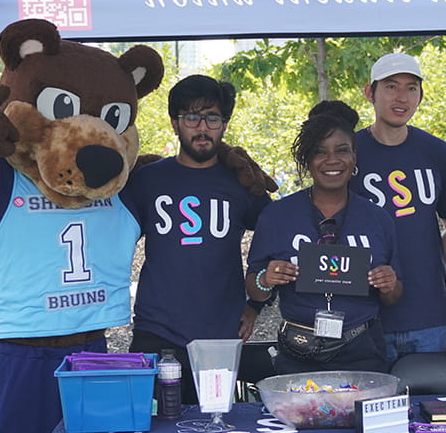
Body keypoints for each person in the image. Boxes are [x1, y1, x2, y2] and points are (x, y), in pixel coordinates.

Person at [123, 75, 274, 402]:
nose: (202, 127)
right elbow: (113, 236)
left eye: (213, 118)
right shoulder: (147, 179)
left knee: (214, 427)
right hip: (157, 329)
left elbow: (276, 237)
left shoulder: (242, 180)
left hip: (220, 334)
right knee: (153, 431)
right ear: (175, 123)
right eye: (191, 117)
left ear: (224, 124)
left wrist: (256, 305)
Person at [246, 101, 402, 374]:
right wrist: (266, 279)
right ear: (308, 160)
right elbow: (255, 289)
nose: (332, 160)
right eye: (320, 152)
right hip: (298, 349)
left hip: (363, 349)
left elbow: (393, 296)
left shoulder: (377, 218)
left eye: (342, 150)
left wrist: (389, 283)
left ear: (354, 158)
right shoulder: (277, 215)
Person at [351, 52, 446, 366]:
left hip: (427, 315)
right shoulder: (348, 153)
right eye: (391, 86)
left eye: (411, 88)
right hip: (365, 317)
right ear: (370, 92)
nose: (402, 97)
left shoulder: (437, 152)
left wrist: (430, 262)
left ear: (421, 96)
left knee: (428, 407)